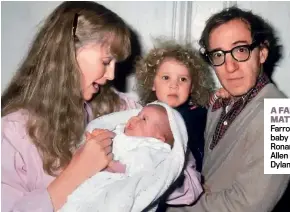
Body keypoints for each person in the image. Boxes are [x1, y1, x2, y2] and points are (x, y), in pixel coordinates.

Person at [1, 1, 141, 211]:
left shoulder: (122, 109)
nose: (111, 75)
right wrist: (78, 172)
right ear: (68, 54)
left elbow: (185, 181)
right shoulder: (12, 133)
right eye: (105, 62)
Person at [165, 6, 290, 212]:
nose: (229, 67)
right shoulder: (221, 102)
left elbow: (254, 204)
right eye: (218, 54)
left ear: (262, 53)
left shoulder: (281, 118)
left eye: (241, 50)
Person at [60, 102, 203, 212]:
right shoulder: (121, 131)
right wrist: (98, 136)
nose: (134, 118)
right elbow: (106, 141)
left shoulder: (153, 150)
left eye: (144, 119)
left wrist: (110, 163)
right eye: (138, 114)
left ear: (159, 138)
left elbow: (136, 172)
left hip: (114, 188)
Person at [135, 40, 215, 173]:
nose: (174, 85)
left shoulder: (198, 114)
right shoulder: (144, 114)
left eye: (183, 79)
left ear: (192, 87)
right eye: (166, 78)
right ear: (152, 83)